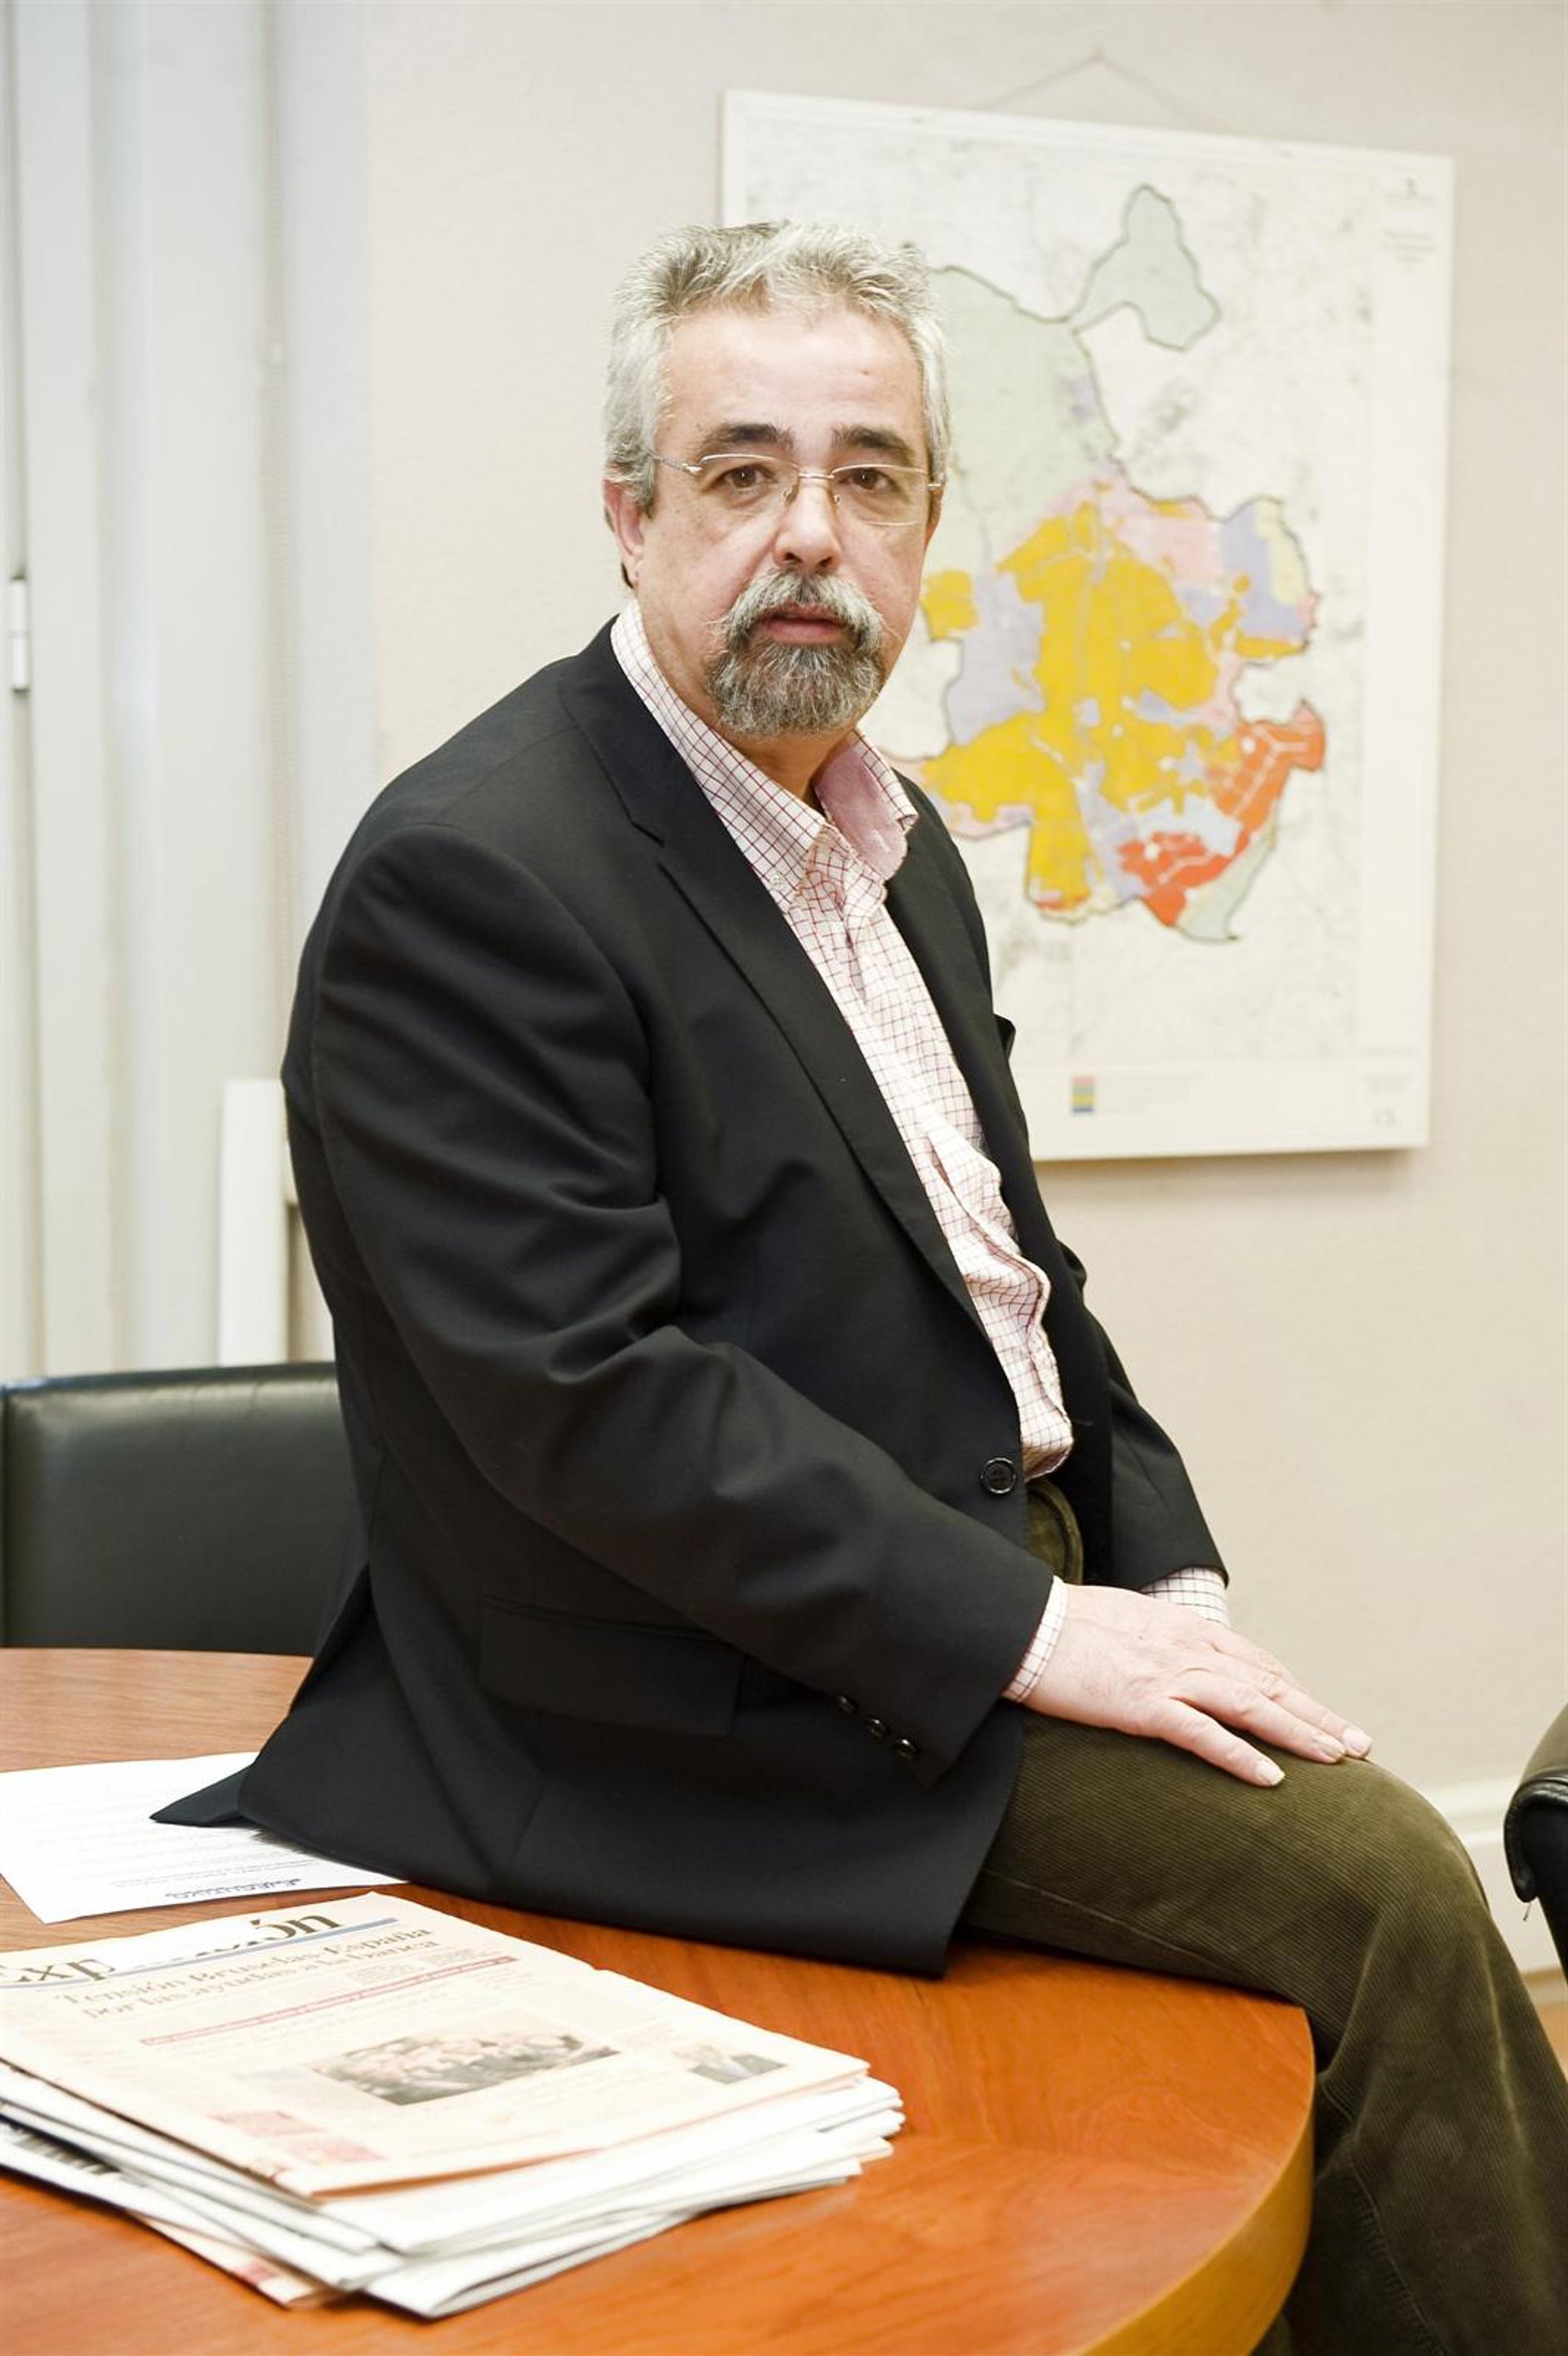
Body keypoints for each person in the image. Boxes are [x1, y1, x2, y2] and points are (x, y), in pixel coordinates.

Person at [165, 222, 1566, 2351]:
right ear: (630, 514)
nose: (811, 535)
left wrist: (1166, 1578)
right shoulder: (477, 871)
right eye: (742, 473)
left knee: (1299, 1947)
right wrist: (1038, 1630)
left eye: (871, 477)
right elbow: (594, 1399)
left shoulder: (894, 854)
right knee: (1376, 1893)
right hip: (692, 1704)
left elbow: (1020, 1280)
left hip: (962, 1604)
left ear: (927, 524)